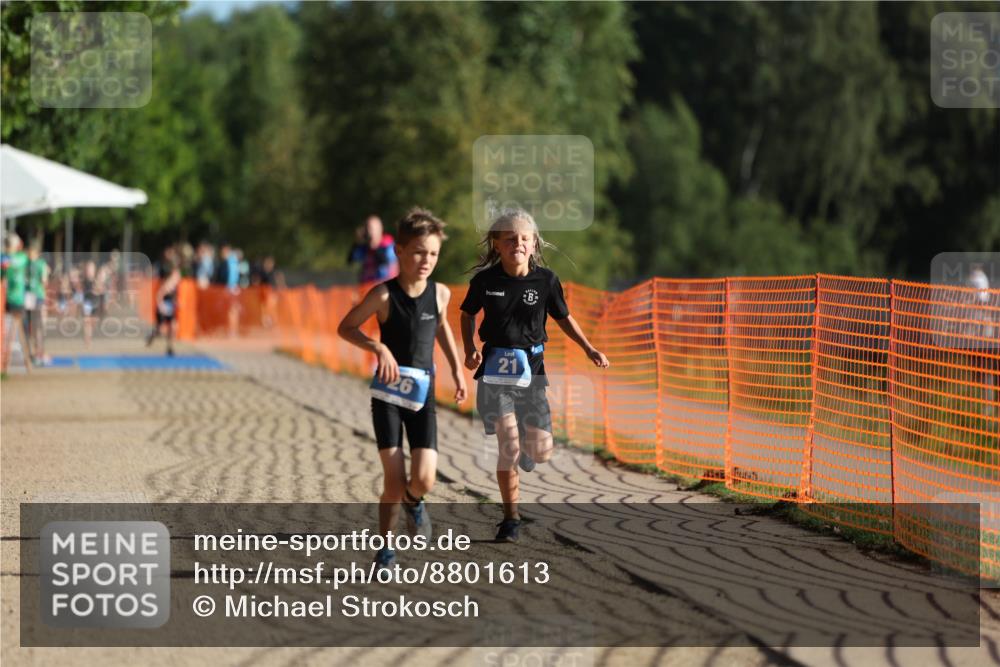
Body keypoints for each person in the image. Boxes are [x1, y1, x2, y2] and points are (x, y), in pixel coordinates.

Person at [459, 208, 609, 543]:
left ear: (534, 243)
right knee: (507, 444)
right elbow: (467, 314)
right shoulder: (485, 281)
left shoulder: (546, 281)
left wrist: (589, 348)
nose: (518, 244)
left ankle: (529, 450)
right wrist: (470, 348)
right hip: (495, 374)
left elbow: (564, 318)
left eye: (525, 238)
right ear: (497, 244)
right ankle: (510, 518)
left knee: (541, 452)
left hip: (533, 371)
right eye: (510, 238)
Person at [337, 208, 467, 568]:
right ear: (400, 252)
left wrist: (457, 370)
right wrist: (378, 347)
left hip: (422, 396)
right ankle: (385, 549)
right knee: (393, 480)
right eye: (419, 252)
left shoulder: (440, 294)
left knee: (424, 477)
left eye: (434, 253)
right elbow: (346, 327)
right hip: (388, 398)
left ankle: (415, 501)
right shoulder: (382, 295)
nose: (427, 260)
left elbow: (441, 328)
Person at [1, 234, 32, 371]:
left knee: (14, 330)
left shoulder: (13, 258)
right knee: (12, 331)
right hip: (9, 298)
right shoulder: (13, 257)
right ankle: (6, 363)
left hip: (11, 298)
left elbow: (8, 264)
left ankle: (7, 364)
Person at [347, 215, 399, 284]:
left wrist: (373, 246)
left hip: (384, 287)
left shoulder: (389, 246)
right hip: (366, 287)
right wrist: (357, 242)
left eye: (371, 228)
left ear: (380, 229)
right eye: (366, 228)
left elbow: (384, 261)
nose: (368, 232)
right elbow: (351, 260)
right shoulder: (365, 248)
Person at [146, 261, 181, 357]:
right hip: (163, 308)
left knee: (172, 327)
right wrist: (161, 306)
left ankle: (170, 348)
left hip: (169, 308)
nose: (179, 277)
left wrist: (176, 303)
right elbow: (159, 295)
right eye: (177, 275)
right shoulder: (168, 284)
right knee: (159, 328)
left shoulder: (175, 286)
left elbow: (173, 298)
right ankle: (151, 337)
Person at [25, 243, 51, 365]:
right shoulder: (40, 264)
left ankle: (37, 352)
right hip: (35, 296)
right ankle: (38, 353)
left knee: (33, 327)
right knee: (37, 326)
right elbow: (44, 281)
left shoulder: (27, 263)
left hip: (31, 296)